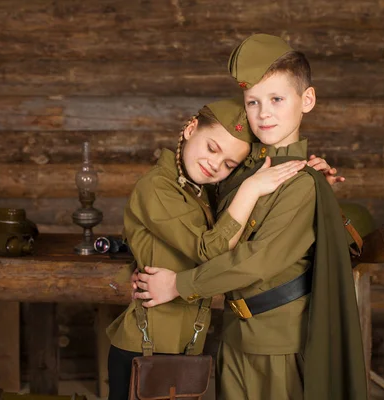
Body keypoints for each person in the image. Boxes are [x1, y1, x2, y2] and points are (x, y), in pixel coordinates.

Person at [134, 34, 367, 400]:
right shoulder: (241, 169)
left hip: (277, 341)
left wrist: (178, 285)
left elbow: (256, 261)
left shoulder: (301, 183)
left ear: (307, 100)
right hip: (234, 333)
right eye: (253, 102)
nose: (264, 113)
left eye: (276, 99)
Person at [105, 97, 336, 399]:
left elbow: (244, 226)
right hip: (146, 347)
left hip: (184, 349)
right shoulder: (157, 187)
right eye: (212, 148)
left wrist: (312, 178)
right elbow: (209, 249)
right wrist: (253, 187)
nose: (215, 164)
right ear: (190, 129)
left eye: (229, 164)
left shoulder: (201, 193)